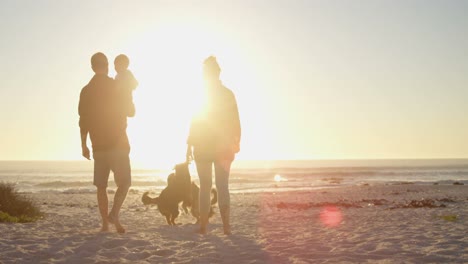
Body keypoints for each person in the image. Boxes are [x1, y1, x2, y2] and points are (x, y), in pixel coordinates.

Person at [78, 52, 133, 233]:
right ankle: (114, 214)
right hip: (118, 143)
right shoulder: (117, 85)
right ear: (107, 65)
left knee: (101, 186)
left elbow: (83, 120)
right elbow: (131, 111)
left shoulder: (86, 90)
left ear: (93, 67)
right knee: (124, 183)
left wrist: (83, 144)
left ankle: (105, 224)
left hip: (98, 145)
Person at [186, 56, 241, 235]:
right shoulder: (226, 93)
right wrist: (235, 142)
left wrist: (189, 145)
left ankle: (204, 226)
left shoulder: (204, 94)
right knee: (221, 185)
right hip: (221, 146)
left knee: (205, 186)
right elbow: (235, 121)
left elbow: (195, 121)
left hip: (205, 145)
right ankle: (225, 227)